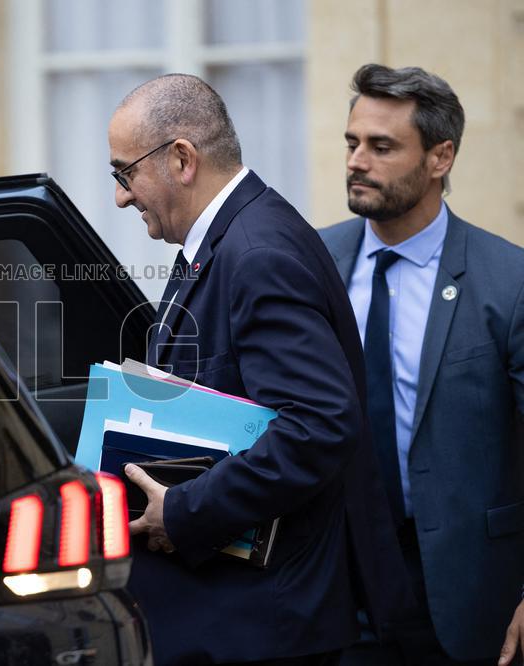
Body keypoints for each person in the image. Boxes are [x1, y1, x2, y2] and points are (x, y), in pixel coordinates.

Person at [110, 74, 414, 665]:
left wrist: (185, 510)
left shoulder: (257, 253)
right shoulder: (226, 238)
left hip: (269, 622)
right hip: (238, 615)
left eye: (125, 173)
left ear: (181, 159)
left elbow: (319, 425)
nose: (122, 196)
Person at [319, 63, 524, 665]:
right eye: (352, 143)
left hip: (469, 596)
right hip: (339, 592)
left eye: (382, 147)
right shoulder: (314, 262)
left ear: (441, 158)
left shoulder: (507, 283)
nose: (357, 161)